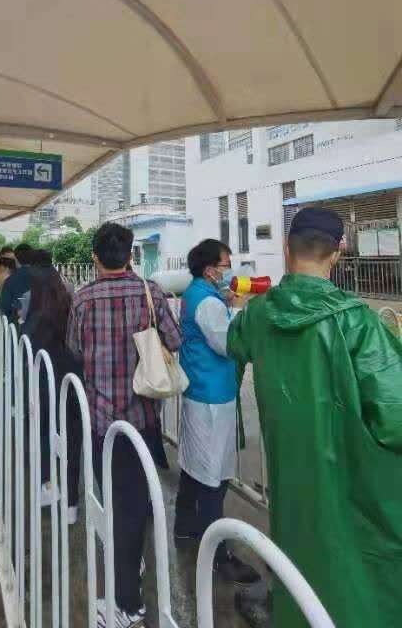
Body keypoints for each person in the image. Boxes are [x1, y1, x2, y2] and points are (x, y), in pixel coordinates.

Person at [228, 207, 402, 628]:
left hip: (290, 483)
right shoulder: (359, 323)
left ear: (286, 250)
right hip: (349, 490)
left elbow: (235, 342)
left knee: (298, 570)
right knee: (354, 580)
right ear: (338, 253)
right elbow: (395, 416)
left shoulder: (258, 314)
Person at [66, 222, 181, 628]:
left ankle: (128, 605)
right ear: (130, 254)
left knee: (117, 503)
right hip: (143, 417)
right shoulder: (151, 292)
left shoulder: (82, 299)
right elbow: (174, 341)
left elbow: (74, 349)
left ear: (95, 257)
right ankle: (134, 562)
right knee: (137, 498)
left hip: (103, 422)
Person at [174, 240, 260, 584]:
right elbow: (227, 344)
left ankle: (185, 527)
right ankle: (218, 555)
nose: (229, 270)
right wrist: (239, 311)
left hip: (201, 390)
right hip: (211, 396)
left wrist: (226, 303)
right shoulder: (209, 303)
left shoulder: (196, 293)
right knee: (214, 476)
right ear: (210, 270)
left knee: (194, 465)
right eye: (226, 264)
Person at [23, 265, 83, 524]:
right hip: (73, 386)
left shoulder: (35, 321)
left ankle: (48, 486)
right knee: (72, 445)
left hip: (44, 389)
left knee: (43, 437)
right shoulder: (73, 310)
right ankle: (71, 505)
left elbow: (26, 353)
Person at [0, 243, 33, 321]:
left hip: (17, 323)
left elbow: (4, 308)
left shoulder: (10, 280)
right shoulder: (44, 277)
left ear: (16, 259)